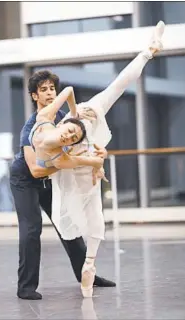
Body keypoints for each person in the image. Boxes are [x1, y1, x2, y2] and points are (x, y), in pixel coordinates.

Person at [30, 20, 165, 297]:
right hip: (70, 171)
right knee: (71, 221)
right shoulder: (47, 138)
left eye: (69, 132)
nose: (67, 134)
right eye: (67, 134)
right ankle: (86, 263)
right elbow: (58, 162)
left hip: (83, 152)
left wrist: (77, 116)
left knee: (96, 221)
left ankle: (89, 265)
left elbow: (108, 85)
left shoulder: (61, 118)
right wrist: (95, 161)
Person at [9, 75, 115, 301]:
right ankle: (25, 287)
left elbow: (86, 142)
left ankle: (86, 275)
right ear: (34, 96)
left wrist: (99, 155)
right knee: (31, 229)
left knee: (68, 223)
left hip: (50, 179)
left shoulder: (63, 117)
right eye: (43, 90)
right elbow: (36, 170)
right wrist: (79, 163)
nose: (49, 93)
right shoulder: (32, 126)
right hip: (26, 179)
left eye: (51, 89)